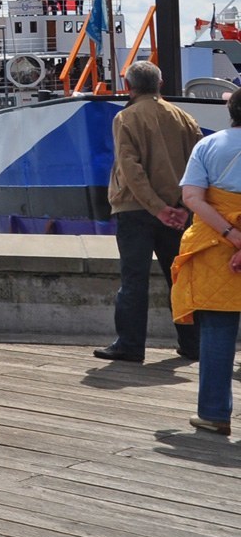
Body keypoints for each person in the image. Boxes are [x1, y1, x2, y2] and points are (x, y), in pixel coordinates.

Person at [98, 61, 206, 363]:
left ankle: (130, 345)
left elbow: (130, 170)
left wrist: (157, 209)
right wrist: (181, 207)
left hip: (136, 209)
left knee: (134, 279)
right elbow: (198, 169)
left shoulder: (125, 118)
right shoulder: (184, 118)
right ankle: (192, 343)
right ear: (161, 83)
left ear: (128, 86)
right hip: (178, 212)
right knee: (181, 279)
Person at [174, 94, 241, 433]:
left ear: (231, 111)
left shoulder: (209, 145)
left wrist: (232, 234)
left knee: (217, 331)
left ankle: (214, 413)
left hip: (217, 248)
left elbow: (191, 198)